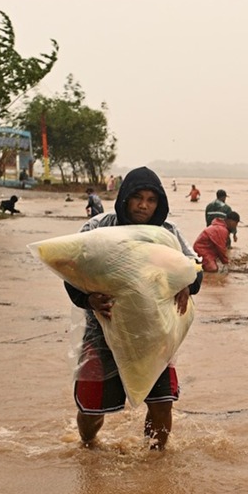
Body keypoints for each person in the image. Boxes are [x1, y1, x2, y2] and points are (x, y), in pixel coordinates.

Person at [64, 166, 203, 450]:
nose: (144, 205)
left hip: (154, 335)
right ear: (124, 197)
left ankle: (155, 464)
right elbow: (70, 270)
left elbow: (195, 268)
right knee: (92, 410)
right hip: (102, 333)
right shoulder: (98, 228)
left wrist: (187, 281)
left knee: (162, 404)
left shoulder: (168, 233)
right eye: (138, 197)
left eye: (152, 200)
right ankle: (88, 452)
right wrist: (88, 300)